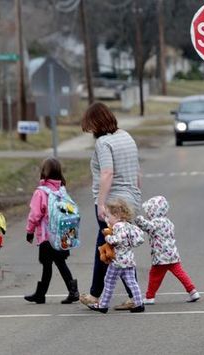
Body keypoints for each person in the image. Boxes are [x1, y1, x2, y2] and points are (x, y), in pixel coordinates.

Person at [79, 102, 142, 311]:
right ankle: (128, 295)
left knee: (106, 249)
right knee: (118, 249)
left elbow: (107, 173)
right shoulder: (126, 136)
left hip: (113, 203)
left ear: (96, 123)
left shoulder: (103, 143)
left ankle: (97, 295)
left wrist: (101, 203)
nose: (91, 132)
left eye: (90, 127)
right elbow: (137, 171)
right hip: (131, 199)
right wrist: (137, 195)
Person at [24, 157, 79, 304]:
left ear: (44, 172)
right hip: (63, 235)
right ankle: (69, 290)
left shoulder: (41, 193)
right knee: (59, 263)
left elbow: (35, 215)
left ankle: (42, 294)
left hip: (47, 237)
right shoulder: (62, 191)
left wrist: (29, 231)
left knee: (48, 265)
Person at [135, 195, 200, 304]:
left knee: (154, 276)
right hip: (172, 255)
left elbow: (146, 226)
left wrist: (138, 218)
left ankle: (150, 297)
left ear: (153, 211)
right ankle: (192, 291)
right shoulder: (169, 222)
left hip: (160, 257)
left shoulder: (155, 223)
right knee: (180, 273)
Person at [86, 198, 145, 313]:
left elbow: (117, 240)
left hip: (117, 262)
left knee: (109, 282)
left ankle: (103, 305)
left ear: (117, 215)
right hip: (129, 260)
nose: (106, 219)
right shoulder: (128, 226)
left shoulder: (118, 226)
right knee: (132, 282)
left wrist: (108, 238)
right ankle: (139, 303)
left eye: (108, 216)